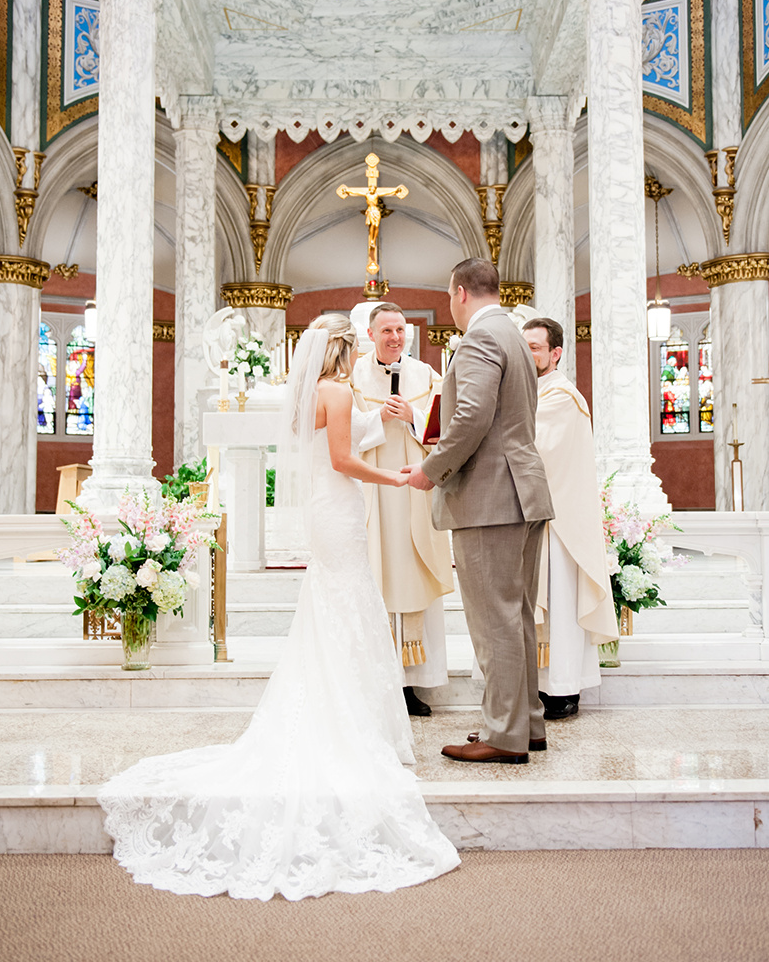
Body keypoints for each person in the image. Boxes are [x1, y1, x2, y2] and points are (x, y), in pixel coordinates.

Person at [98, 315, 459, 900]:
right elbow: (344, 460)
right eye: (356, 346)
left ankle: (337, 701)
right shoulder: (338, 389)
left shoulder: (311, 393)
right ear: (343, 353)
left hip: (325, 508)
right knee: (349, 603)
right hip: (341, 503)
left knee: (333, 605)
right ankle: (352, 716)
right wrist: (394, 480)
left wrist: (376, 432)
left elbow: (328, 446)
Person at [404, 259, 554, 764]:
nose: (450, 305)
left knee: (495, 622)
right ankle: (526, 723)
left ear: (461, 292)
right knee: (516, 616)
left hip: (492, 497)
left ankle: (505, 735)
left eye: (449, 296)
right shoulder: (512, 333)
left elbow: (470, 415)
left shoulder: (480, 339)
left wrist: (433, 468)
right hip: (521, 491)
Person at [351, 302, 454, 716]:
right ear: (371, 335)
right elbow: (341, 433)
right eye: (387, 330)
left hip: (415, 488)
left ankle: (413, 683)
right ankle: (378, 680)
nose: (395, 337)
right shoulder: (353, 377)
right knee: (377, 573)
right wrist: (377, 417)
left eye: (400, 330)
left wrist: (414, 416)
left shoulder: (426, 376)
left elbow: (446, 428)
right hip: (373, 491)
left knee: (414, 570)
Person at [522, 318, 619, 720]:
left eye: (534, 348)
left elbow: (535, 447)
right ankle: (545, 689)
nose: (527, 354)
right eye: (522, 346)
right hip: (535, 518)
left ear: (555, 353)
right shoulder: (534, 391)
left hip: (558, 525)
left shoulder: (561, 396)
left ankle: (562, 691)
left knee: (559, 606)